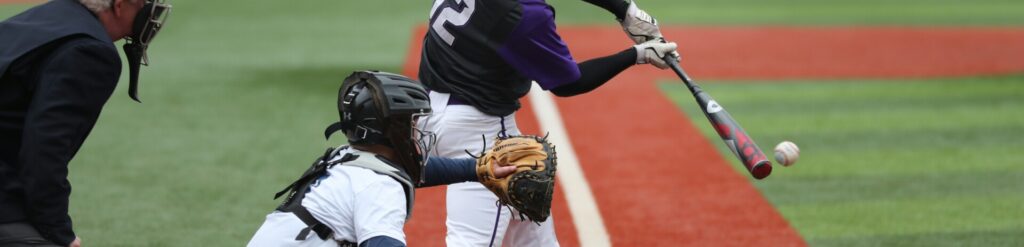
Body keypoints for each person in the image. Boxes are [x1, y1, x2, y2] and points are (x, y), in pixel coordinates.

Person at [418, 0, 676, 246]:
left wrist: (624, 9)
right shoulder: (526, 16)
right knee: (470, 242)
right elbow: (569, 83)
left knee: (533, 234)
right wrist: (637, 55)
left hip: (427, 113)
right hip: (481, 133)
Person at [247, 71, 518, 247]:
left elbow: (416, 170)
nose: (418, 131)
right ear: (391, 132)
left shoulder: (348, 158)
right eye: (412, 123)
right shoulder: (380, 188)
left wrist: (479, 169)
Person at [0, 0, 170, 246]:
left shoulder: (50, 16)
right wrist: (58, 231)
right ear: (119, 5)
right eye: (144, 4)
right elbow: (45, 149)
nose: (151, 11)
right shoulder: (89, 51)